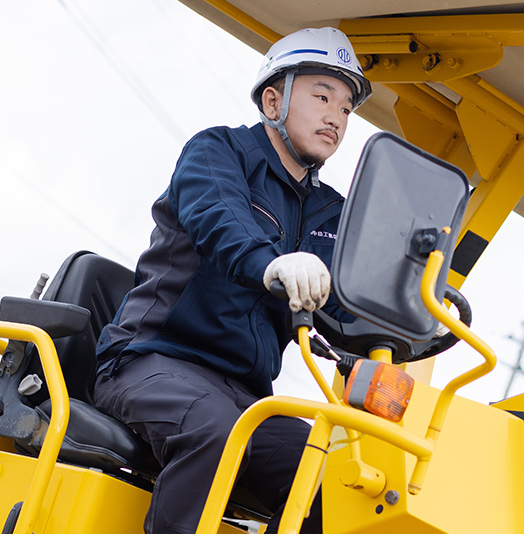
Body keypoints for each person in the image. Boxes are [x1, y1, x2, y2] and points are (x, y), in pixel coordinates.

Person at [93, 27, 371, 534]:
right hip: (153, 364)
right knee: (212, 428)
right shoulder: (218, 153)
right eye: (322, 95)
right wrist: (272, 263)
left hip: (248, 395)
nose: (336, 115)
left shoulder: (331, 213)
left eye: (348, 107)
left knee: (332, 480)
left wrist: (402, 314)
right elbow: (220, 219)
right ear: (273, 99)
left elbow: (346, 310)